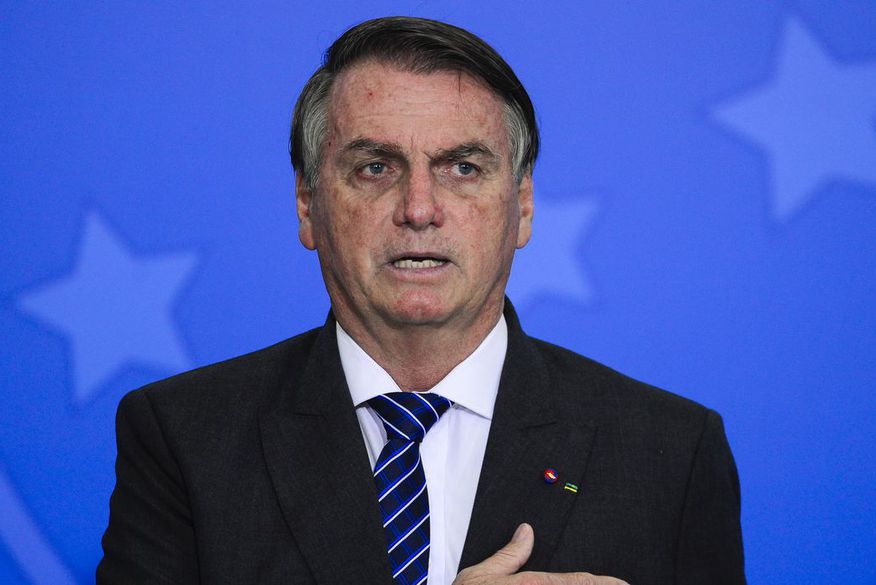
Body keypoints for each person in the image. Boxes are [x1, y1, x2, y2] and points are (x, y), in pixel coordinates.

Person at [97, 16, 745, 585]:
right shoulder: (183, 437)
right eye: (375, 167)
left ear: (522, 205)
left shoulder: (670, 451)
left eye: (463, 167)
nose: (418, 209)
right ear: (307, 204)